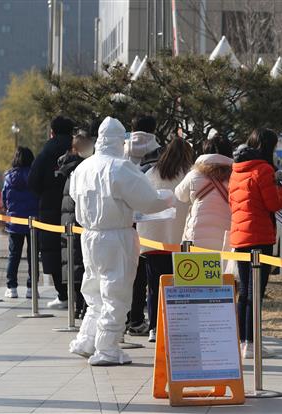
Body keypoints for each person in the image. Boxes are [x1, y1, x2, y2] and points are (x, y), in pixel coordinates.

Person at [68, 116, 174, 365]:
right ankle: (106, 347)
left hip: (90, 234)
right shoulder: (120, 167)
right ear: (119, 140)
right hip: (116, 234)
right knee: (116, 292)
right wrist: (167, 198)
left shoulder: (83, 167)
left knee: (94, 289)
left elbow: (75, 195)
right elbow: (148, 200)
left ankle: (87, 339)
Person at [229, 129, 282, 359]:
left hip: (240, 237)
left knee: (245, 293)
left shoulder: (237, 170)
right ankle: (253, 344)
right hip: (260, 238)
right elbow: (273, 204)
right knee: (255, 293)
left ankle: (242, 341)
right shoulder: (263, 169)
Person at [138, 137, 193, 342]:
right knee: (178, 287)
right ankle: (175, 326)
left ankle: (154, 327)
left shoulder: (151, 174)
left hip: (153, 239)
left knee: (154, 286)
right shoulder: (188, 175)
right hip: (179, 241)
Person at [28, 115, 75, 309]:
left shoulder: (45, 153)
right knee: (76, 251)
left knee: (53, 250)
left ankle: (62, 295)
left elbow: (32, 181)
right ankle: (78, 296)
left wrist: (46, 194)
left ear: (52, 132)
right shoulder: (78, 150)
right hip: (75, 208)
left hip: (49, 209)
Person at [124, 114, 162, 336]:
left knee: (131, 273)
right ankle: (148, 321)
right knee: (150, 273)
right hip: (151, 218)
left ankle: (132, 318)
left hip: (126, 218)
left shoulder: (122, 149)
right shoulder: (158, 150)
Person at [56, 133, 94, 318]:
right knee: (84, 265)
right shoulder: (84, 168)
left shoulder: (68, 167)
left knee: (76, 264)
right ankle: (82, 307)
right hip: (81, 222)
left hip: (69, 222)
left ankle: (78, 307)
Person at [175, 134, 233, 251]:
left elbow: (180, 195)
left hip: (196, 238)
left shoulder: (194, 174)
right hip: (225, 239)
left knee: (196, 269)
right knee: (222, 269)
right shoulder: (235, 176)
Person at [2, 147, 38, 299]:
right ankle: (32, 288)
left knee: (13, 255)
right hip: (34, 221)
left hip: (15, 221)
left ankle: (12, 287)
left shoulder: (9, 177)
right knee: (33, 255)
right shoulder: (35, 176)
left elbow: (5, 199)